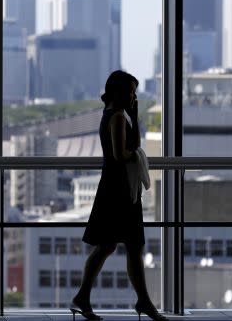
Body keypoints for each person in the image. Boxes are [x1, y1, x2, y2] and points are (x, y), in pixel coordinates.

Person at [70, 70, 167, 321]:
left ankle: (86, 297)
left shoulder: (113, 115)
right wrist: (136, 154)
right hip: (119, 191)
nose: (134, 97)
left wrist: (134, 115)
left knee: (110, 246)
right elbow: (120, 154)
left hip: (113, 188)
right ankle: (141, 302)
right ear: (120, 92)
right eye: (132, 92)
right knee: (128, 246)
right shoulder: (118, 118)